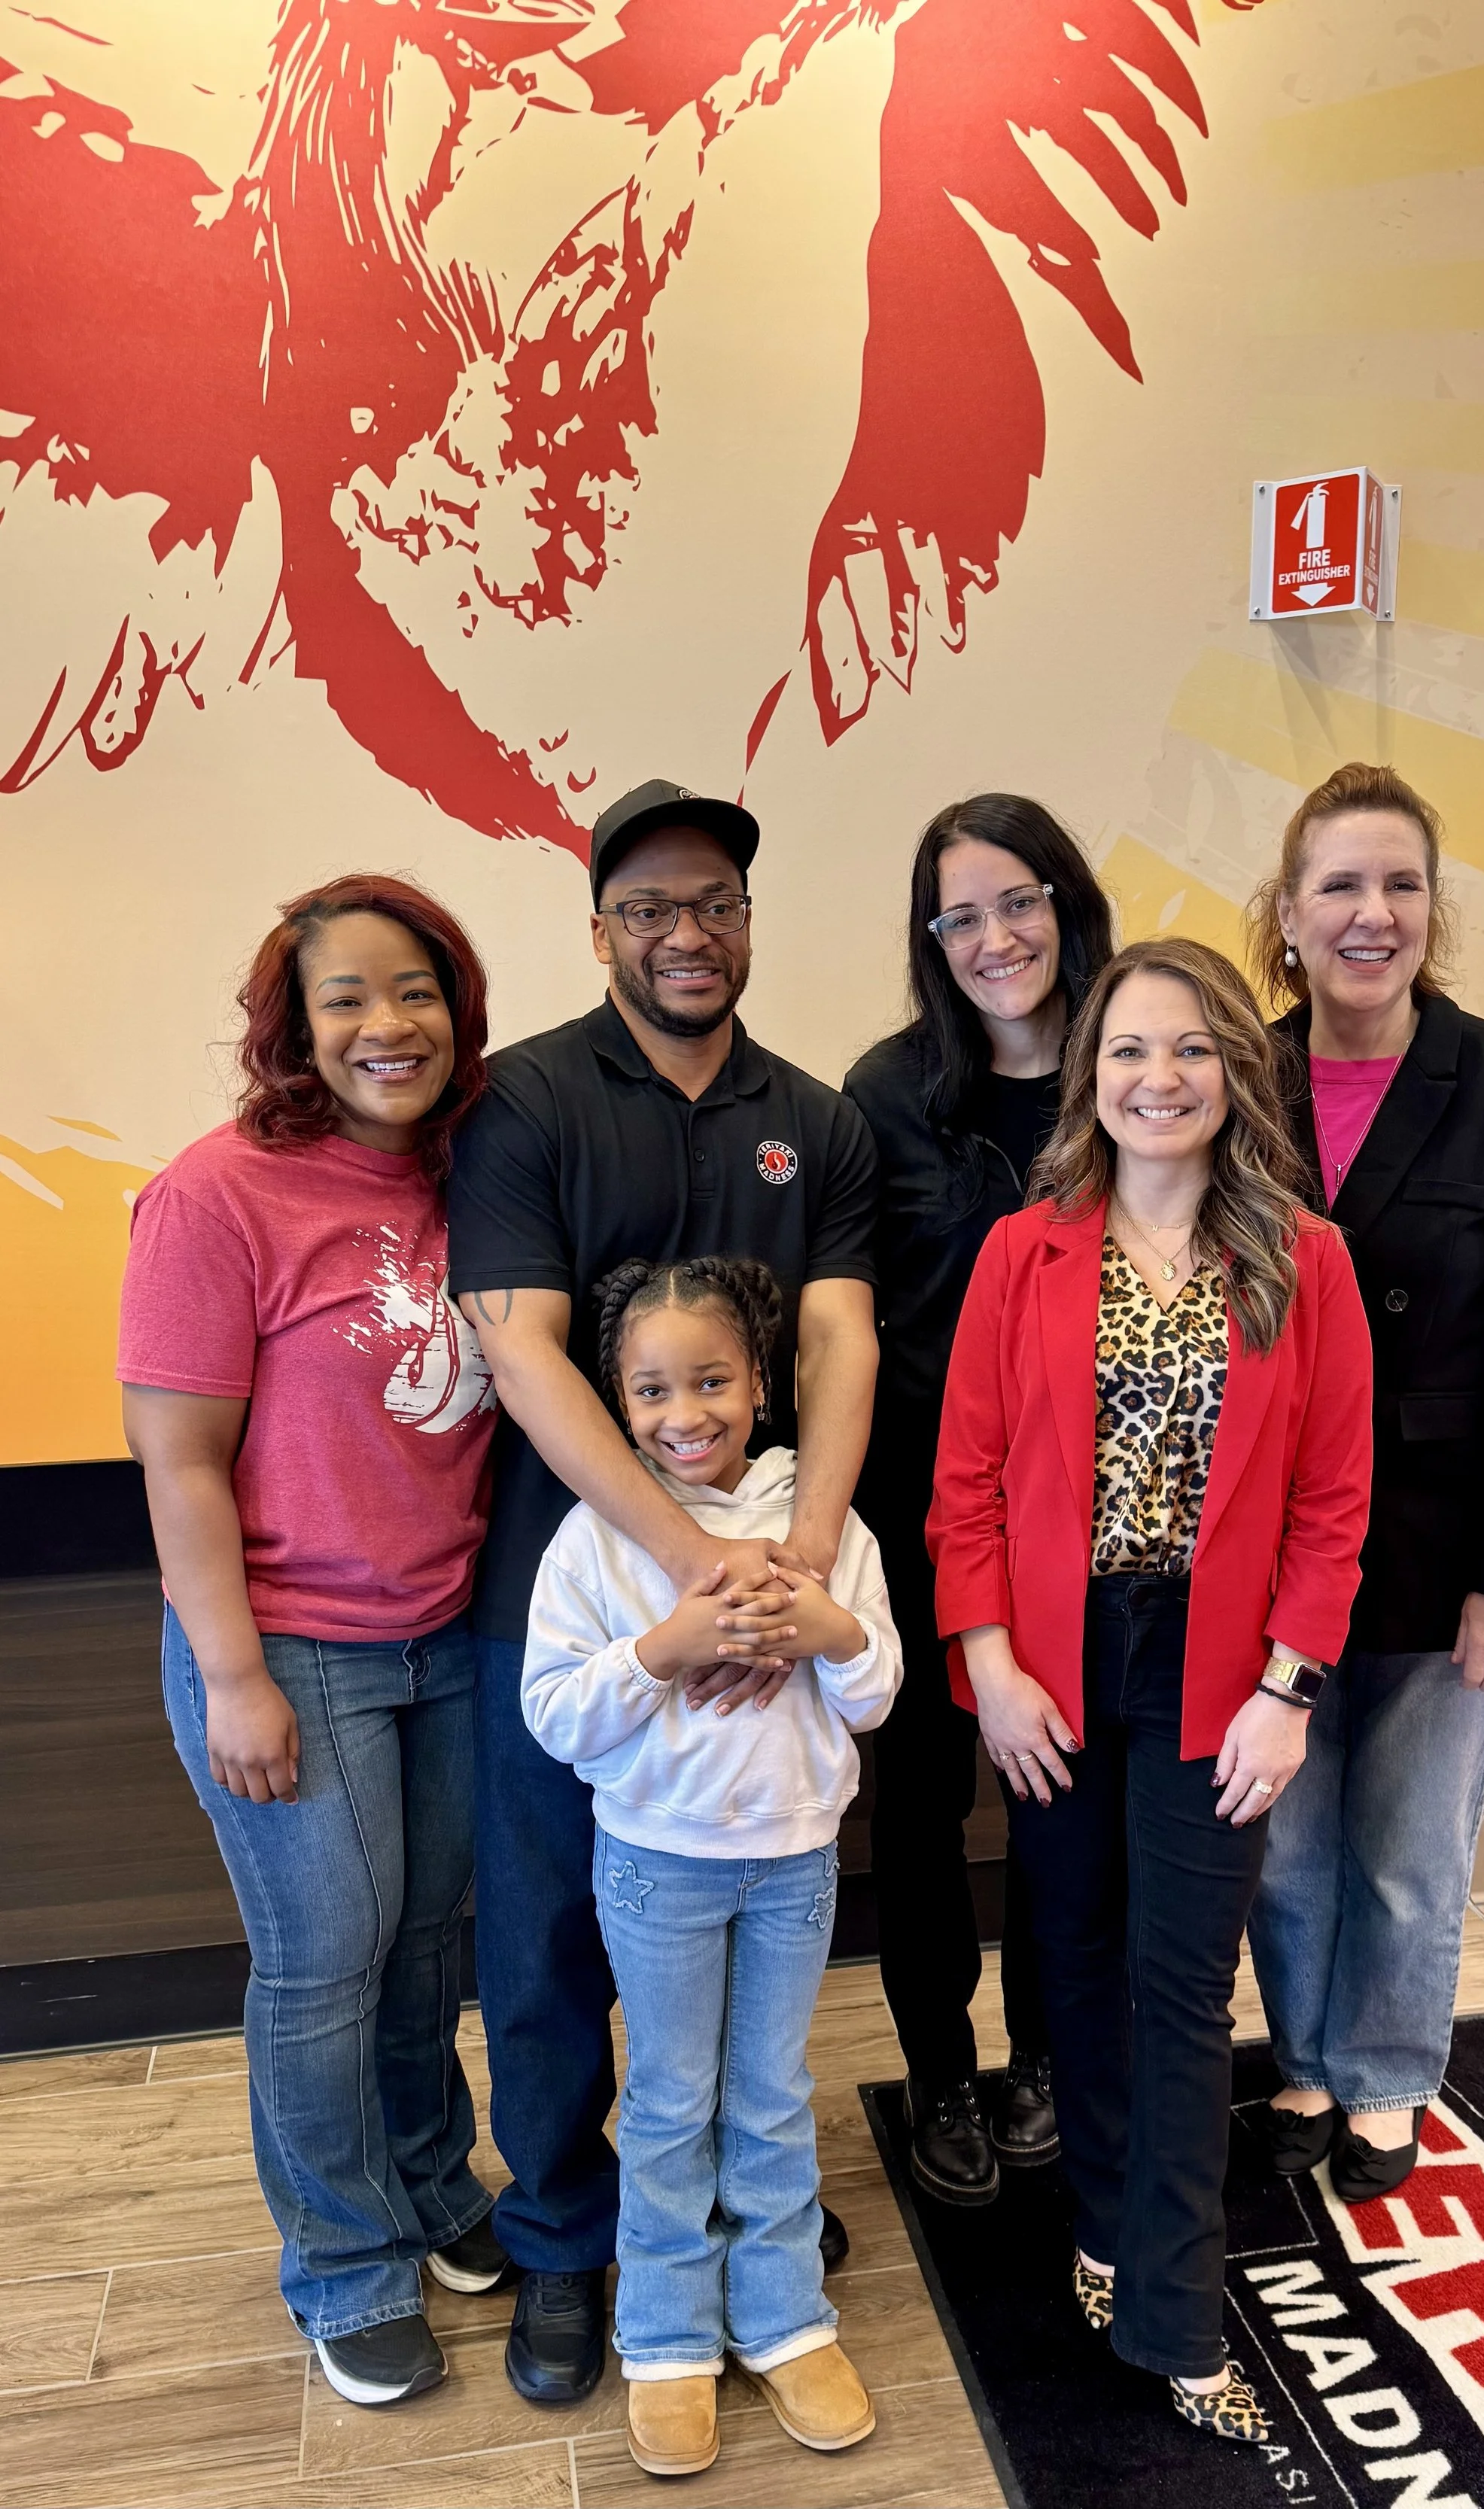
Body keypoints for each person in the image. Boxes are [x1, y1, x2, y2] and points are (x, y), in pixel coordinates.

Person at [446, 779, 880, 2405]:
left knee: (753, 1964)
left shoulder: (817, 1116)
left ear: (749, 921)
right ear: (602, 930)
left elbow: (839, 1336)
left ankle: (732, 2231)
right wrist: (698, 1567)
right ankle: (567, 2243)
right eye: (649, 909)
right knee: (553, 1942)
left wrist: (801, 1565)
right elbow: (522, 1345)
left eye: (714, 903)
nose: (686, 933)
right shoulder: (528, 1099)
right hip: (570, 1598)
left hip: (783, 1578)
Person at [928, 937, 1372, 2440]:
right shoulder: (1021, 1249)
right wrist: (983, 1660)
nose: (1156, 1076)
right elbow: (966, 1480)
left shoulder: (1303, 1258)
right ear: (1088, 1074)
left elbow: (1330, 1501)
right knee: (1076, 1963)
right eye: (1126, 1049)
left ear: (1233, 1071)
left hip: (1219, 1672)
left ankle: (1180, 2309)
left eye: (1188, 1048)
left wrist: (1287, 1688)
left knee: (1181, 1987)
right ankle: (1106, 2227)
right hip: (1054, 1660)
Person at [119, 875, 507, 2410]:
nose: (384, 1024)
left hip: (453, 1631)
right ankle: (343, 2260)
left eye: (412, 988)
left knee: (423, 1947)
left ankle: (431, 2183)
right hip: (293, 1647)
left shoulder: (478, 1172)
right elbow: (181, 1461)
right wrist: (233, 1675)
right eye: (345, 995)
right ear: (295, 1020)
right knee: (325, 1962)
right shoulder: (217, 1193)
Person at [1245, 759, 1484, 2201]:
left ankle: (1386, 2077)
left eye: (1400, 884)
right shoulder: (1233, 1076)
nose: (1370, 913)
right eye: (1340, 883)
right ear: (1286, 911)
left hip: (1451, 1554)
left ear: (1433, 912)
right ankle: (1307, 2060)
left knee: (1408, 1848)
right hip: (1267, 1553)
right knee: (1285, 1847)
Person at [522, 1255, 900, 2477]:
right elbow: (557, 1718)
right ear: (614, 1401)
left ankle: (787, 2321)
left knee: (773, 2094)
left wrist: (830, 1628)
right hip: (656, 1869)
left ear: (766, 1380)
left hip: (795, 1866)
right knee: (675, 2100)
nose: (685, 1413)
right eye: (651, 1391)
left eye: (713, 1381)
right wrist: (666, 1646)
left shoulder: (824, 1529)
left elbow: (877, 1691)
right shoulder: (596, 1538)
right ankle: (670, 2337)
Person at [843, 793, 1115, 2205]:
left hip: (1091, 1518)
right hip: (915, 1506)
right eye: (961, 914)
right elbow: (848, 1317)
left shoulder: (1135, 1065)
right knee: (925, 1810)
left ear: (1068, 902)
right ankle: (939, 2065)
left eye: (1021, 901)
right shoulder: (888, 1095)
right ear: (930, 937)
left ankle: (1049, 2057)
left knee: (1065, 1798)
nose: (997, 937)